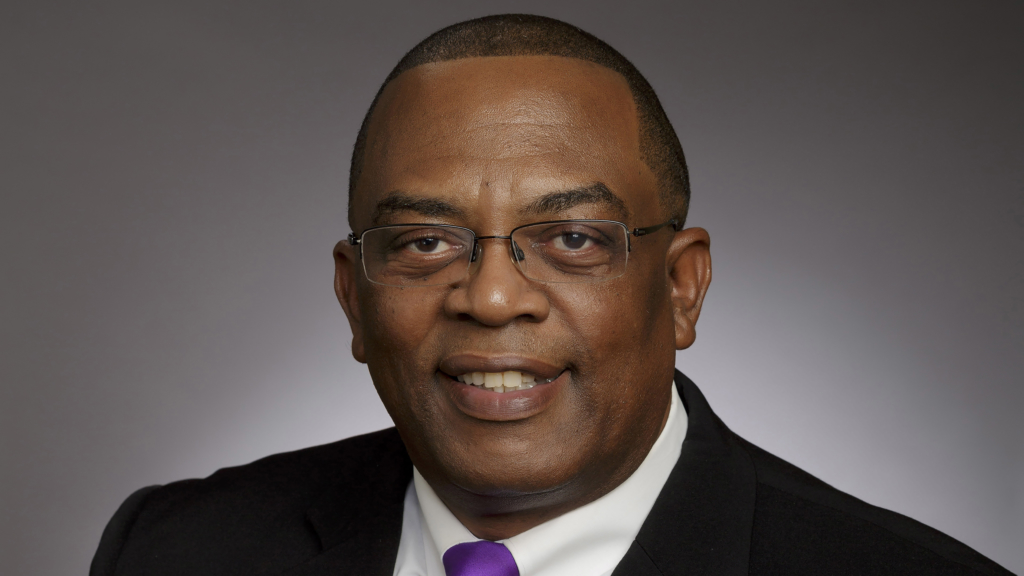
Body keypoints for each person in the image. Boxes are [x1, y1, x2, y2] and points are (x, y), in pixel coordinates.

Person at [90, 14, 1013, 576]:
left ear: (681, 287)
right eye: (424, 241)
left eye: (572, 239)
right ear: (352, 297)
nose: (493, 298)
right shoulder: (172, 551)